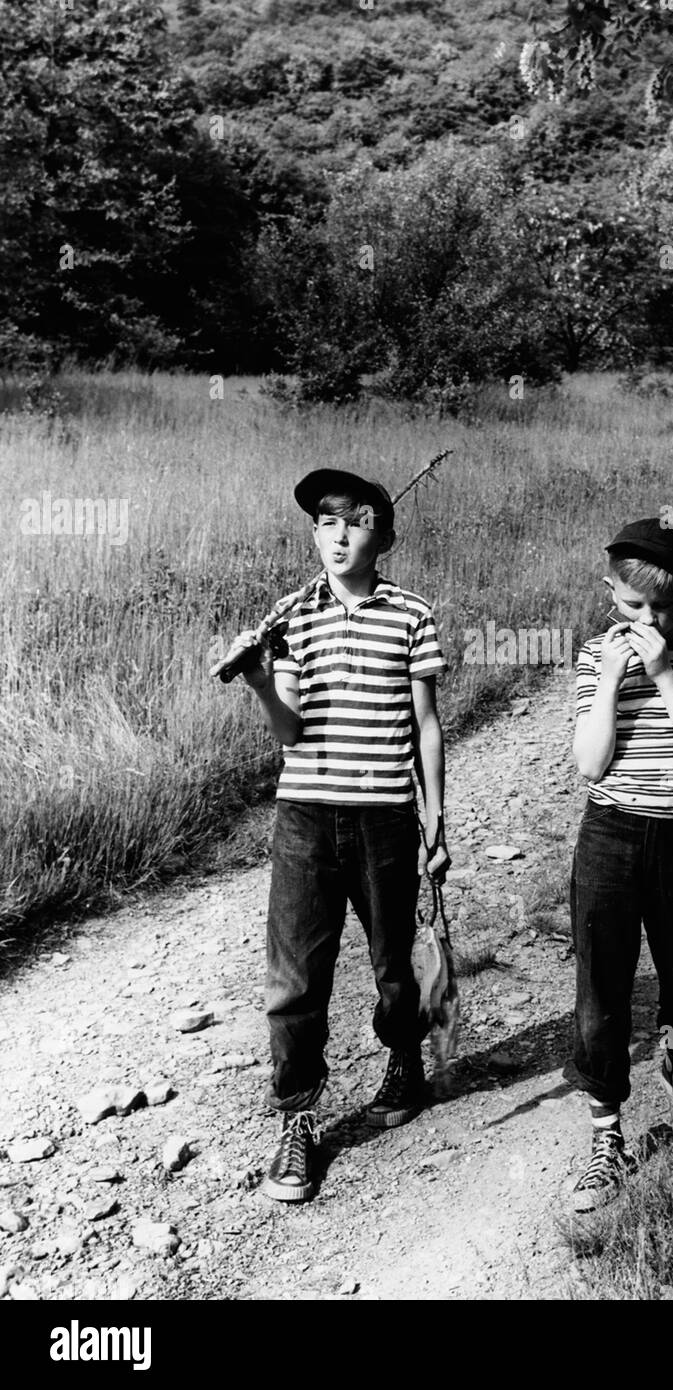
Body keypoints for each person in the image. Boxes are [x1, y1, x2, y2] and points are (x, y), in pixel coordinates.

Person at [230, 468, 449, 1203]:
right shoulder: (289, 616)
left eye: (356, 522)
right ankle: (297, 1120)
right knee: (293, 980)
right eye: (326, 522)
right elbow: (289, 729)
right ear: (314, 534)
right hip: (304, 819)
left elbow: (425, 725)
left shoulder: (411, 614)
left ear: (383, 537)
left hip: (385, 816)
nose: (340, 535)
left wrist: (434, 818)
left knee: (394, 964)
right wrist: (261, 681)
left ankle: (405, 1060)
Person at [568, 516, 673, 1211]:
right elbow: (589, 762)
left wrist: (664, 673)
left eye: (663, 608)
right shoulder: (592, 654)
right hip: (609, 834)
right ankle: (608, 1132)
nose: (649, 620)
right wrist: (610, 681)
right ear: (611, 594)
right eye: (634, 607)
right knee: (602, 981)